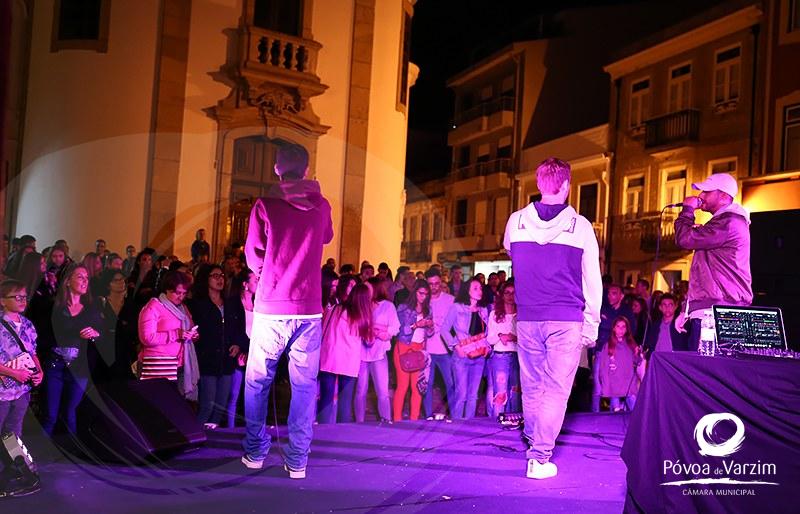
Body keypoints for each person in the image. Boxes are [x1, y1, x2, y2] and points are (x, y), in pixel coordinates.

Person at [502, 157, 602, 479]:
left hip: (528, 317)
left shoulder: (515, 222)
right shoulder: (582, 227)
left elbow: (510, 251)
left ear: (538, 183)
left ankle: (534, 443)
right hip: (566, 319)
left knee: (532, 387)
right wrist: (593, 322)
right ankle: (540, 457)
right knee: (556, 390)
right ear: (567, 186)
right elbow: (592, 280)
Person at [241, 142, 333, 479]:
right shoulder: (321, 205)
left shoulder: (265, 204)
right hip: (309, 310)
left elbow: (254, 257)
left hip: (271, 308)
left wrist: (270, 279)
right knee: (305, 386)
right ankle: (297, 459)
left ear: (278, 168)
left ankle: (254, 451)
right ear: (306, 170)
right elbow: (325, 237)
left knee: (257, 383)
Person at [674, 172, 752, 351]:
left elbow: (684, 239)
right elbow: (703, 273)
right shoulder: (721, 223)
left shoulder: (730, 222)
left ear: (724, 196)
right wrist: (687, 309)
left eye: (706, 192)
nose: (700, 196)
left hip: (718, 313)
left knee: (704, 373)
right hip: (712, 310)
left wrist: (687, 211)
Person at [42, 264, 104, 436]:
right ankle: (39, 456)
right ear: (68, 281)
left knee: (71, 413)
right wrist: (74, 333)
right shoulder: (54, 307)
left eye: (87, 278)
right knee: (50, 415)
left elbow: (102, 336)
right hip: (55, 365)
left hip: (79, 367)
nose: (85, 281)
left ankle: (70, 455)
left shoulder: (92, 309)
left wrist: (95, 334)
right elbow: (44, 336)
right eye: (80, 277)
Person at [188, 265, 238, 430]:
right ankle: (197, 436)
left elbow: (239, 329)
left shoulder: (230, 304)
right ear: (206, 279)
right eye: (214, 275)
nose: (220, 279)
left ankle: (214, 440)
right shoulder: (198, 305)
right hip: (207, 361)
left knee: (220, 407)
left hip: (226, 362)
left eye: (221, 275)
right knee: (207, 406)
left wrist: (238, 344)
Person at [318, 282, 373, 424]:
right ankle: (341, 434)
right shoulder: (362, 316)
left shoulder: (335, 309)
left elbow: (323, 329)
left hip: (329, 358)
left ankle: (322, 433)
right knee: (345, 401)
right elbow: (369, 341)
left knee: (326, 399)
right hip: (348, 362)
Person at [137, 271, 199, 396]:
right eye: (177, 292)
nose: (181, 297)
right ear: (167, 289)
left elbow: (190, 328)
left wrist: (193, 335)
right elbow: (147, 337)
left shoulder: (182, 308)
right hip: (158, 365)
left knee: (176, 405)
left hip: (180, 364)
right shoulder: (153, 307)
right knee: (158, 404)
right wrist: (176, 334)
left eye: (184, 293)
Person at [0, 280, 44, 442]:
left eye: (24, 297)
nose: (23, 300)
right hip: (2, 392)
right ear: (2, 301)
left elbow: (32, 353)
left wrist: (39, 371)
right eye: (17, 297)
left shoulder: (27, 325)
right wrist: (14, 373)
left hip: (22, 390)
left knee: (14, 433)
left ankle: (13, 466)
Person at [440, 278, 489, 420]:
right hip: (462, 357)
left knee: (473, 395)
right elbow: (444, 329)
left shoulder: (484, 310)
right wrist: (456, 346)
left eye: (480, 288)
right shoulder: (457, 307)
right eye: (475, 288)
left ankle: (468, 426)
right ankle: (455, 426)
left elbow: (487, 333)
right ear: (467, 290)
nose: (479, 291)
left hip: (479, 356)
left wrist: (487, 349)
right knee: (461, 394)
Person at [355, 277, 398, 423]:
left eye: (368, 288)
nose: (365, 291)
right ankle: (358, 423)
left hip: (379, 354)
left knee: (383, 392)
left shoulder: (388, 306)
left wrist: (380, 330)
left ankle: (386, 420)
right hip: (361, 353)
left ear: (376, 288)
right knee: (361, 391)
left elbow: (395, 328)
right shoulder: (362, 304)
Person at [394, 279, 434, 421]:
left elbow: (429, 334)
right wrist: (416, 324)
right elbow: (401, 330)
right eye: (421, 293)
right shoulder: (404, 308)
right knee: (402, 386)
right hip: (404, 347)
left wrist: (429, 327)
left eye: (426, 294)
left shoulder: (428, 309)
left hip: (419, 348)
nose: (423, 297)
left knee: (417, 388)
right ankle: (397, 420)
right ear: (414, 292)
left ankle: (414, 420)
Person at [422, 268, 455, 419]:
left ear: (441, 282)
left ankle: (454, 416)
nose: (434, 287)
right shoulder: (422, 300)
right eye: (430, 284)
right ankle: (428, 416)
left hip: (445, 351)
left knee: (451, 384)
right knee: (427, 385)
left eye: (436, 283)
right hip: (427, 351)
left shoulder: (450, 299)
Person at [224, 268, 255, 428]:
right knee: (234, 394)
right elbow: (233, 329)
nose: (258, 283)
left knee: (252, 396)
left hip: (254, 353)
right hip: (239, 353)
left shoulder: (258, 303)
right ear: (245, 284)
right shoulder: (233, 303)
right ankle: (230, 428)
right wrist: (242, 349)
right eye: (255, 280)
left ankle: (250, 428)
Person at [487, 279, 519, 417]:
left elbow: (526, 339)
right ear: (502, 295)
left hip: (518, 357)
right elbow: (490, 339)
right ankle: (496, 426)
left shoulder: (521, 315)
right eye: (507, 293)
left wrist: (513, 337)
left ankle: (513, 425)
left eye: (513, 293)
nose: (510, 296)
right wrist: (501, 335)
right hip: (500, 357)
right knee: (500, 394)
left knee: (516, 394)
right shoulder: (494, 314)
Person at [595, 317, 641, 412]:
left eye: (624, 327)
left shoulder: (631, 345)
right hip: (614, 386)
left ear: (627, 329)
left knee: (635, 411)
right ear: (613, 328)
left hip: (629, 384)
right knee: (616, 414)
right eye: (618, 326)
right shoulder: (608, 346)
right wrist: (605, 388)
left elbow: (637, 362)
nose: (621, 329)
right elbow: (603, 369)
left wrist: (638, 354)